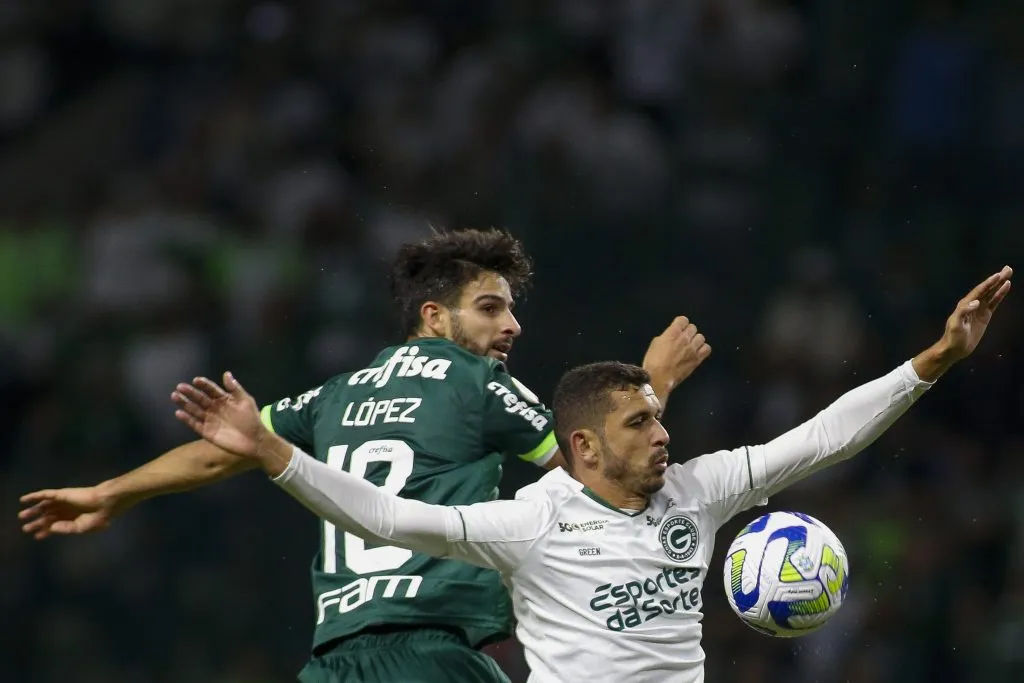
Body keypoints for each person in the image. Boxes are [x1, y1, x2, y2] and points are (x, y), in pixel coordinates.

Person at [169, 267, 1010, 683]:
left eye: (660, 415)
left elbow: (824, 438)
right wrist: (275, 453)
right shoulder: (532, 520)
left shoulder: (698, 488)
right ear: (583, 447)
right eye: (640, 422)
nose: (662, 434)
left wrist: (934, 358)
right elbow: (388, 518)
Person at [18, 228, 710, 683]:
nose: (512, 325)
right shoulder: (480, 385)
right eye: (491, 308)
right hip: (433, 653)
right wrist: (656, 384)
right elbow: (597, 476)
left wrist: (112, 491)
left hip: (332, 661)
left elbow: (219, 452)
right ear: (435, 317)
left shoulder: (334, 395)